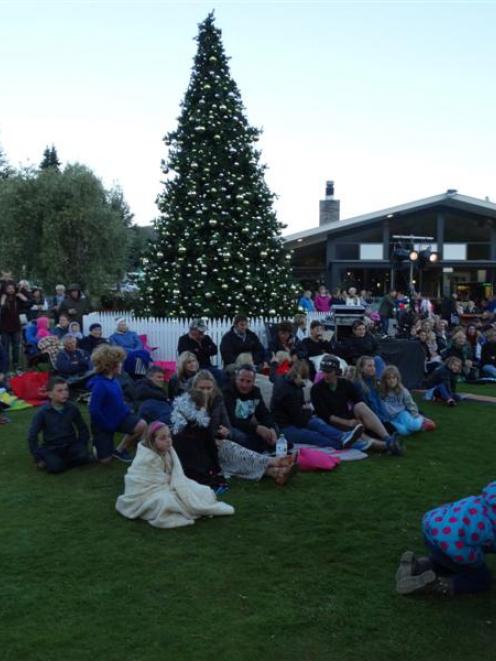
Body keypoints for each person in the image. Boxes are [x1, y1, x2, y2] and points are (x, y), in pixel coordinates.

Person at [115, 421, 234, 528]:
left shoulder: (168, 452)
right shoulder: (146, 458)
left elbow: (176, 473)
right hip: (146, 492)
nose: (168, 440)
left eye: (169, 436)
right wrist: (172, 484)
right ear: (152, 441)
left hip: (167, 485)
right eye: (162, 438)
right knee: (166, 502)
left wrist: (176, 484)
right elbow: (148, 479)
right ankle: (177, 508)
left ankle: (187, 503)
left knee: (201, 490)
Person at [191, 371, 295, 485]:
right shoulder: (188, 405)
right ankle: (274, 461)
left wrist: (226, 433)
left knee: (233, 454)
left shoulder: (218, 401)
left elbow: (229, 426)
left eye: (208, 388)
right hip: (198, 449)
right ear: (194, 388)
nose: (205, 392)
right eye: (201, 388)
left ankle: (274, 472)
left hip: (218, 443)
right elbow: (187, 434)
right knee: (232, 450)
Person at [395, 481, 496, 596]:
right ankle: (436, 585)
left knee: (450, 561)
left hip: (433, 526)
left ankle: (418, 566)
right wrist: (478, 562)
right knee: (481, 579)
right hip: (452, 543)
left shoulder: (489, 497)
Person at [311, 354, 403, 455]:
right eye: (324, 371)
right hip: (333, 422)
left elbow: (359, 400)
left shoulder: (345, 384)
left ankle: (388, 438)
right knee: (355, 430)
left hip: (346, 414)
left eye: (329, 372)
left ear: (336, 371)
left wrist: (357, 419)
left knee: (360, 406)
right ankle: (384, 446)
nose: (325, 375)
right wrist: (348, 422)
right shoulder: (316, 389)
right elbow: (325, 416)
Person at [271, 360, 364, 449]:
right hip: (285, 427)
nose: (305, 382)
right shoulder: (288, 392)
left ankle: (343, 436)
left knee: (318, 424)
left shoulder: (287, 381)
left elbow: (273, 375)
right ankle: (347, 445)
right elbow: (298, 419)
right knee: (314, 435)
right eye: (304, 378)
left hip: (297, 418)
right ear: (296, 375)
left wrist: (274, 363)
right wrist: (309, 410)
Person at [88, 344, 147, 463]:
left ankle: (120, 450)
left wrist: (126, 411)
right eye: (120, 363)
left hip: (119, 417)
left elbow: (118, 402)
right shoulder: (100, 385)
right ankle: (97, 444)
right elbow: (94, 410)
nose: (122, 365)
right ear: (110, 366)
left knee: (142, 425)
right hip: (103, 424)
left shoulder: (114, 380)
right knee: (105, 460)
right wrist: (107, 426)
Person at [27, 376, 93, 473]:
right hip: (51, 447)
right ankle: (54, 462)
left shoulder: (72, 408)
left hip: (71, 445)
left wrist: (82, 444)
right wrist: (37, 457)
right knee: (56, 467)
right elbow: (32, 435)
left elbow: (82, 428)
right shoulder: (42, 412)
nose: (64, 393)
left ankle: (60, 463)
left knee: (83, 455)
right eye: (59, 391)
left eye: (66, 390)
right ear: (50, 394)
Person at [223, 364, 278, 453]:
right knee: (242, 438)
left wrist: (271, 428)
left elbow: (264, 414)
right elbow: (232, 419)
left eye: (248, 381)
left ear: (253, 382)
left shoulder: (255, 392)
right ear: (236, 379)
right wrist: (256, 428)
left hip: (248, 427)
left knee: (273, 429)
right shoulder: (227, 392)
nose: (244, 385)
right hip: (231, 427)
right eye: (241, 380)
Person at [379, 365, 435, 435]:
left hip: (401, 414)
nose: (392, 380)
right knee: (404, 432)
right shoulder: (381, 392)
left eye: (394, 378)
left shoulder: (402, 391)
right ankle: (420, 427)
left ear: (397, 379)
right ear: (385, 380)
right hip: (390, 418)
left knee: (414, 426)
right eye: (389, 378)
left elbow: (410, 404)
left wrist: (415, 414)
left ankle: (422, 419)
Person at [177, 318, 222, 383]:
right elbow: (184, 355)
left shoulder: (206, 338)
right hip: (192, 367)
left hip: (208, 365)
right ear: (192, 330)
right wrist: (206, 350)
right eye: (200, 331)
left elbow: (214, 351)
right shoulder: (184, 339)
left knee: (221, 374)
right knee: (218, 374)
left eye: (203, 331)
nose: (202, 332)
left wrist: (199, 350)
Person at [0, 282, 29, 371]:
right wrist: (3, 300)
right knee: (5, 347)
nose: (11, 290)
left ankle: (16, 363)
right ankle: (6, 364)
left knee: (16, 346)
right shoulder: (3, 297)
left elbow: (27, 303)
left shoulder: (17, 298)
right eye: (9, 288)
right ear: (5, 289)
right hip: (5, 327)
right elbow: (2, 308)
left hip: (16, 326)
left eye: (12, 288)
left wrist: (22, 297)